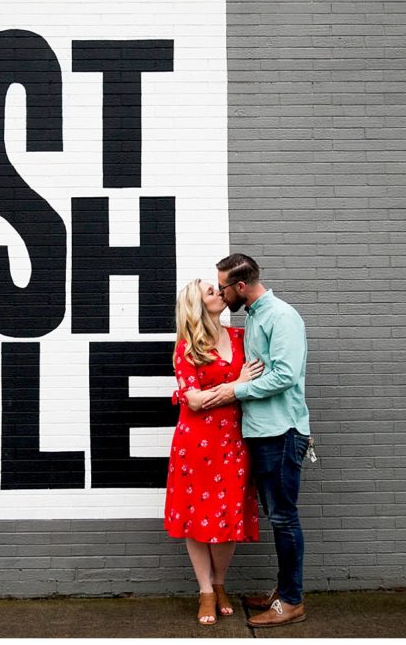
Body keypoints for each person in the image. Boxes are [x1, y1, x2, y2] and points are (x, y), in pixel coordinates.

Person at [202, 253, 312, 629]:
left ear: (241, 287)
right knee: (278, 517)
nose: (220, 292)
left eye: (223, 287)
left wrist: (235, 389)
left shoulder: (281, 316)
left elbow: (283, 375)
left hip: (282, 432)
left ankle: (292, 601)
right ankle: (283, 593)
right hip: (264, 433)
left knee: (284, 518)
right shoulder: (255, 317)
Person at [165, 278, 265, 625]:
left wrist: (233, 388)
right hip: (195, 444)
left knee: (226, 517)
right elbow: (192, 400)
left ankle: (220, 584)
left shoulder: (240, 337)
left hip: (234, 443)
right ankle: (205, 590)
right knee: (197, 519)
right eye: (211, 292)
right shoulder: (187, 348)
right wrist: (236, 384)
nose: (219, 293)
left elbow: (261, 378)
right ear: (197, 305)